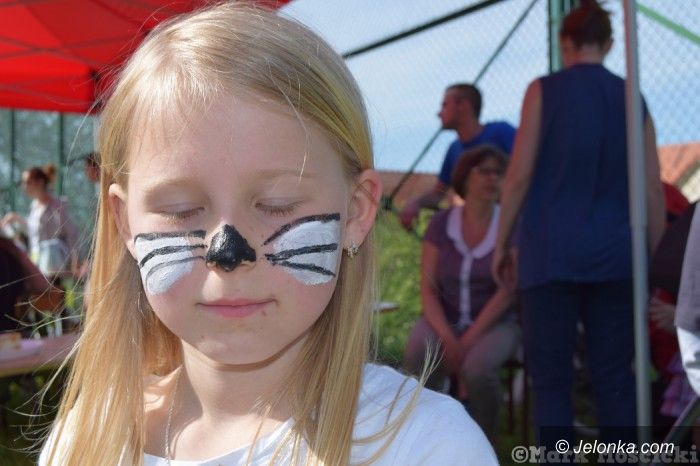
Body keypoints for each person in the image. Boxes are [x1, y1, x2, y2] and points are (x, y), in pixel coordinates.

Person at [39, 4, 496, 465]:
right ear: (126, 223)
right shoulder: (81, 440)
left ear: (356, 213)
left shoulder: (429, 446)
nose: (227, 252)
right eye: (181, 210)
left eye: (278, 204)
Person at [492, 0, 665, 447]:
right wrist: (658, 263)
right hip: (617, 257)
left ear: (564, 40)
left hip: (549, 255)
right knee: (616, 378)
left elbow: (519, 177)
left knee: (551, 382)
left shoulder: (542, 91)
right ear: (608, 44)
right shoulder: (632, 96)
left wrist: (501, 242)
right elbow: (651, 188)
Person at [403, 144, 519, 446]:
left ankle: (483, 446)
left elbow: (508, 292)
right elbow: (428, 288)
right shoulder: (441, 225)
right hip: (444, 317)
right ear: (465, 177)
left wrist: (464, 343)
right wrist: (447, 337)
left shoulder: (509, 224)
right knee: (418, 349)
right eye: (485, 171)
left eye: (498, 173)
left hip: (496, 324)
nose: (493, 178)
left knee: (477, 368)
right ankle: (422, 439)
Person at [398, 84, 515, 230]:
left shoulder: (501, 132)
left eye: (445, 105)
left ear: (463, 105)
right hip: (481, 228)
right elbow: (438, 193)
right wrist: (415, 203)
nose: (439, 113)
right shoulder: (454, 149)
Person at [1, 165, 80, 282]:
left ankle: (55, 285)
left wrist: (76, 260)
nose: (25, 187)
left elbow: (72, 233)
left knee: (49, 249)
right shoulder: (34, 206)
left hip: (55, 262)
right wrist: (15, 218)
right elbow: (33, 231)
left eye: (28, 182)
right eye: (24, 183)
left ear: (40, 182)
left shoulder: (57, 206)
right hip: (36, 259)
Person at [0, 236, 53, 333]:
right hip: (13, 334)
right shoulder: (9, 250)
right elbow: (44, 286)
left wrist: (17, 252)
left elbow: (43, 287)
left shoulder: (9, 250)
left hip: (12, 335)